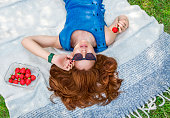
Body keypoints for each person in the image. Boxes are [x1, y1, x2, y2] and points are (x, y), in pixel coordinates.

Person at [21, 0, 129, 110]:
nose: (83, 51)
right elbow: (121, 17)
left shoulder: (64, 41)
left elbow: (27, 41)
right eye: (89, 56)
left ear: (71, 56)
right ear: (96, 57)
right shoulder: (105, 38)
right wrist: (123, 22)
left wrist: (53, 58)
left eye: (78, 57)